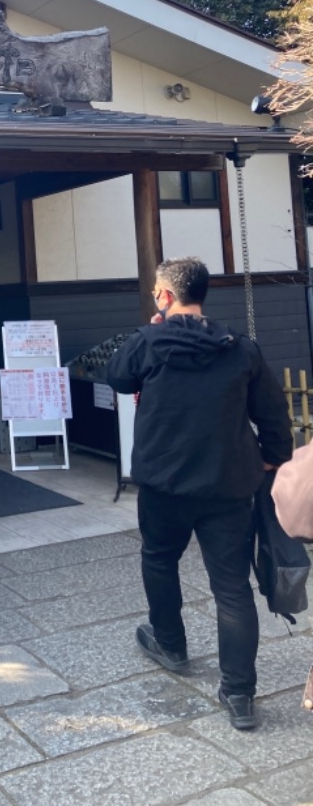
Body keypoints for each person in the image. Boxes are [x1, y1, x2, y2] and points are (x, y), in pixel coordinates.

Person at [106, 256, 292, 731]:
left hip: (164, 483)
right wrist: (271, 458)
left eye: (155, 293)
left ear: (166, 297)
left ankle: (170, 642)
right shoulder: (239, 347)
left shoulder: (148, 343)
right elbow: (272, 412)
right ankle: (239, 693)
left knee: (159, 558)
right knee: (232, 587)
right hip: (228, 483)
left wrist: (152, 329)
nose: (155, 298)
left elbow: (117, 377)